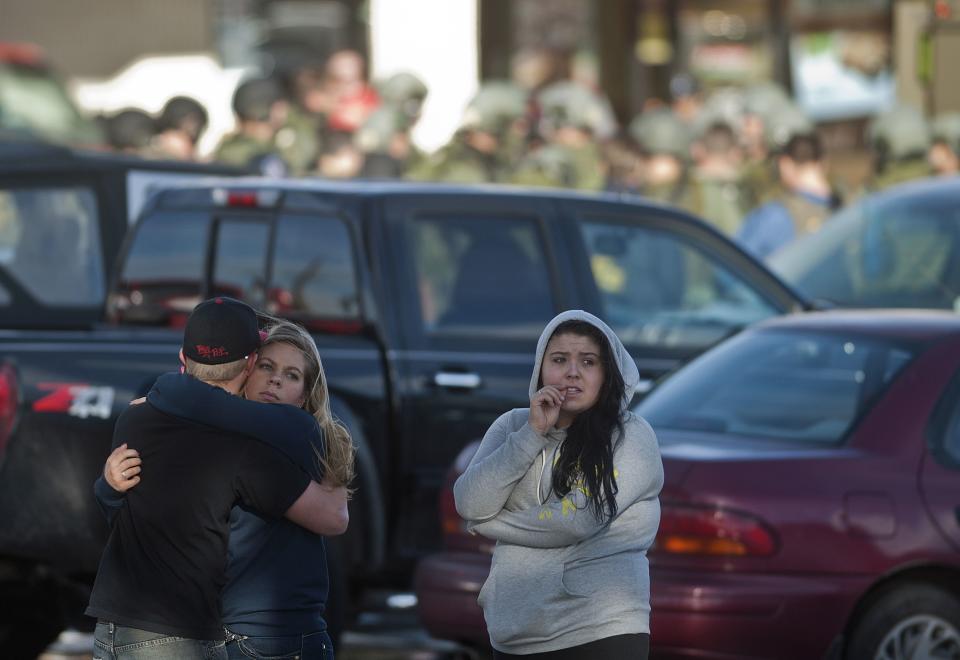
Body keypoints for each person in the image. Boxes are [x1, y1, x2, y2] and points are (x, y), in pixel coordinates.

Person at [86, 297, 349, 659]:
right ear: (250, 365)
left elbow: (334, 515)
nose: (275, 380)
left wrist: (168, 390)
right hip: (205, 631)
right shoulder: (239, 444)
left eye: (291, 375)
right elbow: (130, 515)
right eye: (267, 366)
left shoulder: (146, 415)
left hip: (271, 633)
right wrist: (108, 487)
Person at [454, 310, 663, 659]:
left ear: (607, 373)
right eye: (559, 359)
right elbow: (469, 501)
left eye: (588, 361)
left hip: (598, 631)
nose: (572, 372)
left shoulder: (630, 436)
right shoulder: (512, 426)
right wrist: (532, 434)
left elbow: (578, 519)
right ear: (541, 368)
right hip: (513, 634)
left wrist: (490, 522)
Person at [736, 132, 840, 259]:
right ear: (824, 163)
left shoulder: (772, 216)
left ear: (784, 164)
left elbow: (735, 264)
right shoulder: (850, 208)